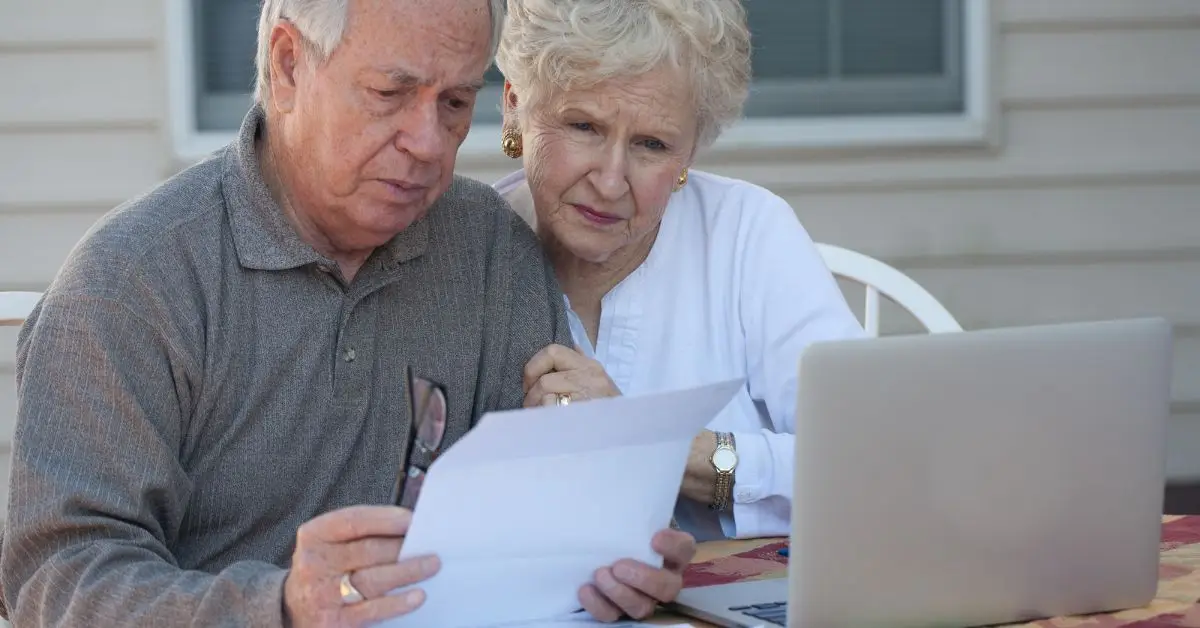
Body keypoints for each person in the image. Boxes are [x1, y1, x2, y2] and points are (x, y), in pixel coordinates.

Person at [0, 0, 694, 625]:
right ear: (288, 65)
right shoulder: (131, 284)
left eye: (454, 103)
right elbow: (55, 579)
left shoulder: (489, 252)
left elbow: (534, 526)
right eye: (390, 93)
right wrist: (279, 609)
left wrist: (607, 554)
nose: (427, 141)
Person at [496, 0, 866, 550]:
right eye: (584, 126)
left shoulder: (746, 232)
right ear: (516, 108)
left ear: (690, 151)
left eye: (652, 144)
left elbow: (867, 456)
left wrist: (656, 446)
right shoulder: (468, 257)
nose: (611, 180)